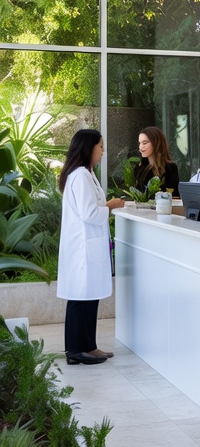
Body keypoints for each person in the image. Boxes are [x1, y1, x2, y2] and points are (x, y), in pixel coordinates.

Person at [57, 129, 126, 365]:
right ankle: (76, 350)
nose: (103, 152)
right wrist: (111, 206)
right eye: (101, 147)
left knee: (89, 297)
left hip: (88, 245)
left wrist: (106, 206)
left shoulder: (85, 174)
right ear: (89, 148)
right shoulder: (80, 176)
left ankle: (89, 346)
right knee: (80, 298)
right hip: (82, 247)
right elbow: (89, 213)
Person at [134, 126, 180, 194]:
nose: (141, 147)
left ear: (156, 143)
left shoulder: (170, 168)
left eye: (145, 143)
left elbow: (174, 193)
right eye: (139, 143)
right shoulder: (140, 167)